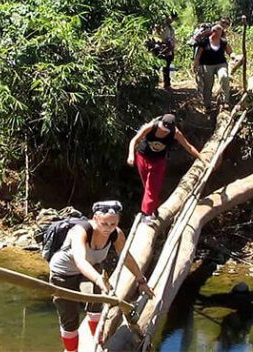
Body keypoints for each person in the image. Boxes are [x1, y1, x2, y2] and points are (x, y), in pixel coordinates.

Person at [49, 200, 153, 352]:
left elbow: (126, 257)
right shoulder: (81, 231)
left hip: (92, 267)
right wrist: (98, 279)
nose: (108, 228)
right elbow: (80, 261)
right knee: (69, 318)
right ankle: (72, 351)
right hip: (64, 273)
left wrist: (141, 280)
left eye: (113, 224)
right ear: (95, 218)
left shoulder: (115, 234)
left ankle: (97, 342)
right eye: (104, 224)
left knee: (97, 304)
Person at [127, 114, 205, 222]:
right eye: (163, 129)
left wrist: (202, 159)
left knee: (152, 187)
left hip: (159, 161)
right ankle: (154, 208)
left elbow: (188, 146)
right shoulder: (151, 127)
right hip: (143, 157)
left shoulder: (175, 133)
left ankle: (146, 215)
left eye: (166, 130)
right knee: (147, 186)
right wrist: (131, 155)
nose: (164, 132)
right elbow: (134, 140)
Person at [192, 20, 235, 110]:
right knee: (208, 85)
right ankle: (207, 105)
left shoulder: (223, 42)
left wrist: (234, 56)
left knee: (224, 77)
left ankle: (225, 101)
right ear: (213, 32)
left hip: (221, 64)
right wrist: (195, 64)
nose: (218, 33)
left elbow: (230, 52)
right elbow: (198, 55)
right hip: (207, 66)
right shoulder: (205, 42)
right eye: (216, 31)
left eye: (220, 31)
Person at [158, 12, 177, 90]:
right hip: (162, 49)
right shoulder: (161, 26)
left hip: (169, 49)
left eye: (173, 18)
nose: (172, 19)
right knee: (163, 66)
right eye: (171, 17)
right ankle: (164, 84)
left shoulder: (170, 27)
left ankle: (167, 84)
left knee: (167, 67)